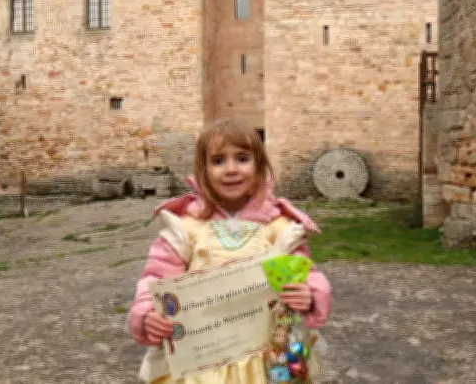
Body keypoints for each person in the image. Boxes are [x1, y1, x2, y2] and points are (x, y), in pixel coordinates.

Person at [128, 117, 332, 383]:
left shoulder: (279, 229)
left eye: (242, 158)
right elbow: (156, 277)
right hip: (202, 359)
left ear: (259, 166)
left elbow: (305, 273)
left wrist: (309, 295)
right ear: (203, 170)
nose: (231, 169)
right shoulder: (186, 229)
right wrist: (148, 313)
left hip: (266, 355)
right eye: (218, 161)